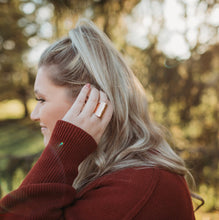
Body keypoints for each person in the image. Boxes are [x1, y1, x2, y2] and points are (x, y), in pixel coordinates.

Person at [0, 18, 200, 219]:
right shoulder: (116, 175)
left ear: (89, 103)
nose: (34, 115)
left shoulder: (138, 187)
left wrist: (64, 149)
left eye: (42, 99)